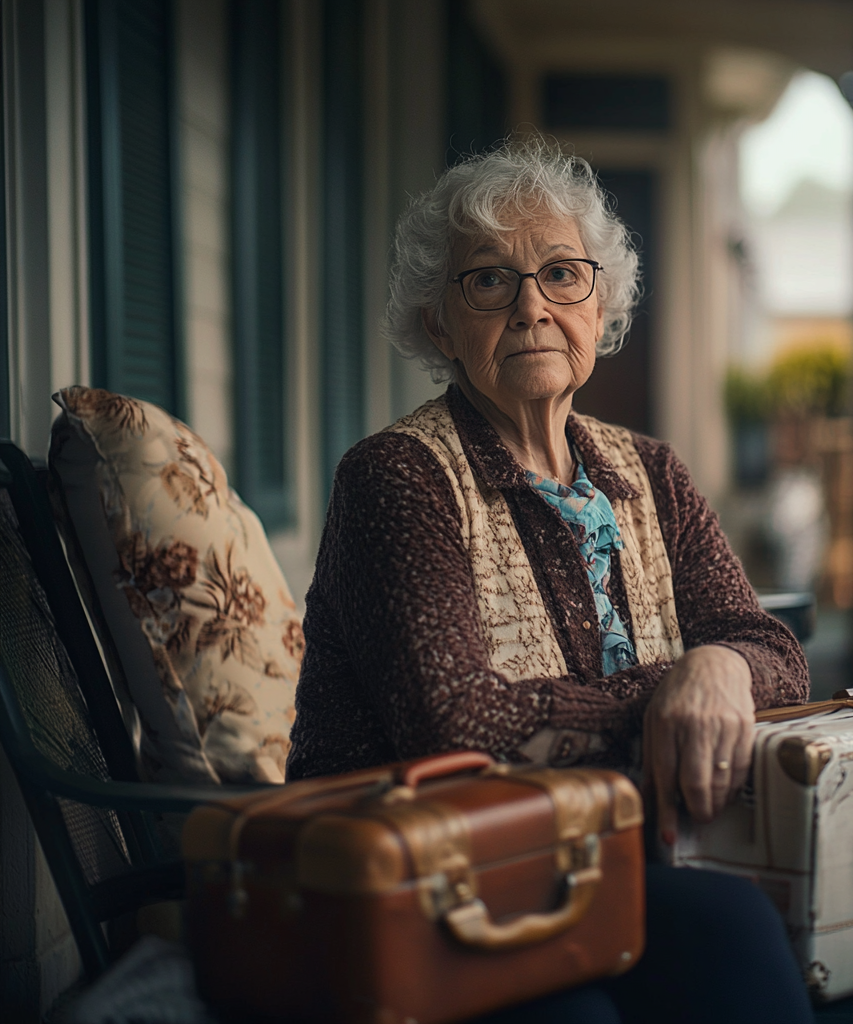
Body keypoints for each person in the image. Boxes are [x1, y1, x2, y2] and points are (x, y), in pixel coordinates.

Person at [287, 138, 814, 1023]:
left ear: (598, 304)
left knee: (742, 933)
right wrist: (673, 684)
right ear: (436, 325)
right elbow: (457, 723)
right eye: (489, 281)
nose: (531, 305)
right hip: (423, 877)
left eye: (561, 273)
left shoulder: (650, 469)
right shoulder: (397, 478)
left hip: (597, 863)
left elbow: (773, 652)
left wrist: (720, 666)